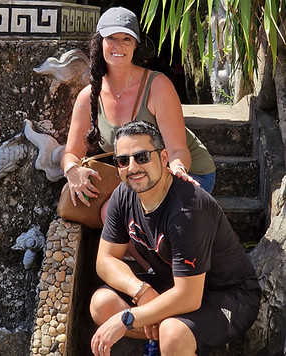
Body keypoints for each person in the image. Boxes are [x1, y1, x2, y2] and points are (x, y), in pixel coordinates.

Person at [89, 121, 261, 356]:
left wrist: (129, 318)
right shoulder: (124, 195)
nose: (132, 167)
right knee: (102, 303)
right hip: (172, 283)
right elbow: (105, 259)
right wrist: (142, 292)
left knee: (172, 332)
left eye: (142, 157)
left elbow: (189, 297)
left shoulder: (187, 210)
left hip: (227, 294)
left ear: (163, 157)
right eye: (123, 160)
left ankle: (178, 344)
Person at [61, 6, 216, 214]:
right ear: (100, 42)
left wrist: (178, 171)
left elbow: (178, 151)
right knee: (109, 210)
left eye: (126, 39)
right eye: (112, 38)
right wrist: (73, 171)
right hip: (137, 177)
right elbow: (71, 152)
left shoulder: (158, 86)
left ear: (135, 45)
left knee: (114, 212)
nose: (119, 45)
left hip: (186, 173)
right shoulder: (89, 96)